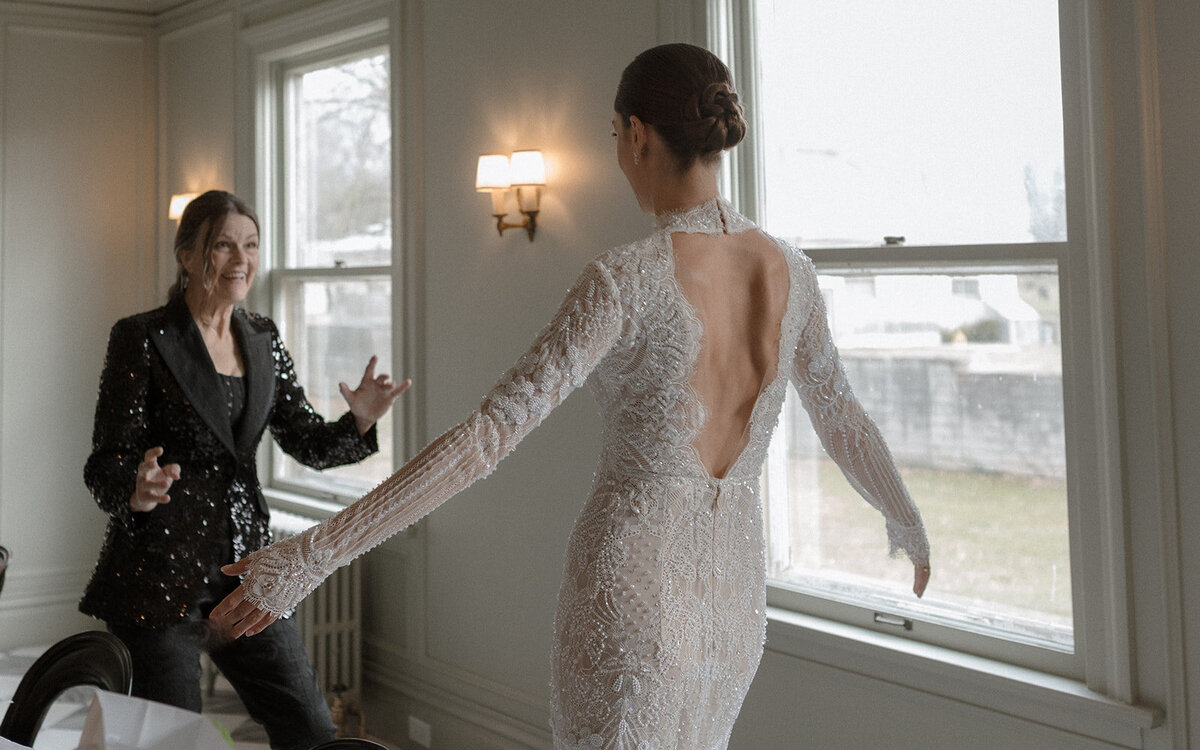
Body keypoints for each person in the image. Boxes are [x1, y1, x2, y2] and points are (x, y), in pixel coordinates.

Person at [214, 44, 931, 749]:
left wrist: (310, 556)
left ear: (638, 134)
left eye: (616, 137)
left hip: (632, 591)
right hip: (735, 604)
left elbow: (488, 437)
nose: (621, 158)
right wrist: (905, 516)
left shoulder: (626, 278)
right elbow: (842, 419)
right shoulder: (793, 272)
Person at [80, 189, 410, 750]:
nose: (242, 259)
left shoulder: (262, 339)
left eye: (251, 245)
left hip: (248, 573)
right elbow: (104, 463)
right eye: (224, 245)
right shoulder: (141, 339)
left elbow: (305, 440)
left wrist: (356, 423)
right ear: (188, 255)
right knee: (169, 740)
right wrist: (136, 488)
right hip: (157, 576)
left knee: (309, 728)